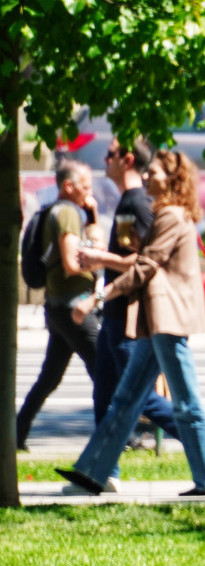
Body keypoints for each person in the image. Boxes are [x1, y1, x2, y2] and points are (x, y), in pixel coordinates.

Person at [57, 149, 205, 497]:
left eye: (153, 172)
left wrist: (98, 296)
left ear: (173, 179)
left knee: (185, 401)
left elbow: (144, 268)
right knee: (125, 401)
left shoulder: (172, 217)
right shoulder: (165, 213)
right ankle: (93, 473)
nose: (147, 176)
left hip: (168, 320)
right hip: (156, 322)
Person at [91, 136, 180, 452]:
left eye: (110, 154)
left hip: (127, 315)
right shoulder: (128, 202)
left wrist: (98, 259)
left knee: (139, 395)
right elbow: (130, 251)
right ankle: (101, 470)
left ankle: (203, 439)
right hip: (115, 314)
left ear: (128, 160)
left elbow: (143, 259)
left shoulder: (138, 203)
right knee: (104, 394)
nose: (105, 159)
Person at [16, 160, 104, 452]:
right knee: (105, 370)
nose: (89, 194)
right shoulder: (66, 212)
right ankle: (114, 438)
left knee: (50, 377)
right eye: (86, 187)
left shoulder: (61, 211)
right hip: (74, 307)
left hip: (57, 307)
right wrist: (101, 263)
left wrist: (91, 215)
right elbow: (69, 263)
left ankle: (17, 433)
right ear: (69, 186)